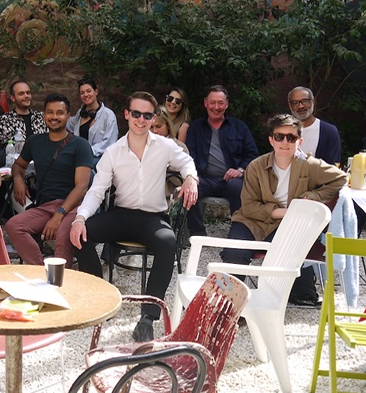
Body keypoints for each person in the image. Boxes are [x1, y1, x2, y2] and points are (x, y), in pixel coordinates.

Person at [71, 91, 199, 342]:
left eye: (147, 115)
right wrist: (79, 219)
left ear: (154, 118)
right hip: (121, 215)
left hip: (152, 217)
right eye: (136, 114)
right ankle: (101, 298)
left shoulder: (165, 146)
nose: (141, 120)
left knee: (168, 243)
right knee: (81, 235)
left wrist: (191, 179)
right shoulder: (114, 152)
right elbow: (97, 190)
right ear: (127, 115)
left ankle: (148, 318)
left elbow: (187, 163)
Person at [223, 114, 347, 306]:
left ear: (300, 141)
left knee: (287, 251)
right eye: (279, 136)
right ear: (271, 140)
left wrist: (314, 197)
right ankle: (232, 305)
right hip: (252, 220)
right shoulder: (256, 166)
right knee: (234, 253)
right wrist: (284, 212)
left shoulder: (310, 164)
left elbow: (341, 179)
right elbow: (248, 207)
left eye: (291, 137)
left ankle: (280, 300)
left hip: (287, 224)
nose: (285, 142)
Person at [6, 94, 93, 267]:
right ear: (44, 115)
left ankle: (60, 282)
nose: (54, 117)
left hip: (72, 206)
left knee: (62, 236)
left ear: (68, 116)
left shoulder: (80, 145)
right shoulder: (35, 141)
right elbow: (18, 166)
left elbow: (82, 186)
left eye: (59, 113)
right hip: (45, 206)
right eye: (50, 112)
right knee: (14, 225)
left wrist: (59, 215)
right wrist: (18, 179)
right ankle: (40, 271)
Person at [185, 85, 259, 237]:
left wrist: (240, 170)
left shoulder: (239, 127)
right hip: (205, 179)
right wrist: (192, 176)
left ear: (227, 104)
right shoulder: (196, 127)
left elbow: (253, 155)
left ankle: (238, 232)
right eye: (212, 102)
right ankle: (197, 233)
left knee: (236, 187)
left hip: (230, 181)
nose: (216, 107)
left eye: (220, 103)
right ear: (206, 103)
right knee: (188, 188)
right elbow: (189, 155)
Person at [66, 78, 118, 165]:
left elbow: (109, 143)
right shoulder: (80, 113)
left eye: (88, 91)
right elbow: (69, 124)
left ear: (96, 92)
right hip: (80, 156)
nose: (85, 95)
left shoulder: (108, 115)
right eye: (82, 93)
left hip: (99, 159)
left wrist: (86, 151)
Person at [288, 86, 342, 166]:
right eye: (295, 103)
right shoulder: (283, 131)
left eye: (305, 101)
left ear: (313, 102)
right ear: (290, 105)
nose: (300, 106)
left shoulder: (329, 131)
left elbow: (332, 168)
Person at [0, 80, 47, 149]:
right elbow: (8, 145)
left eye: (28, 93)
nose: (26, 96)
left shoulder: (41, 117)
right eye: (21, 93)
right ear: (13, 98)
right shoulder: (5, 120)